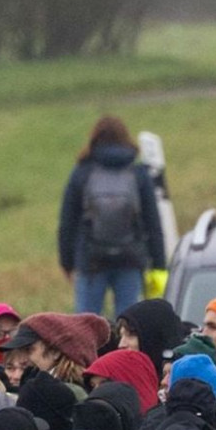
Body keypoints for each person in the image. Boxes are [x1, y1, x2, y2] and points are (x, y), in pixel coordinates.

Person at [57, 116, 166, 318]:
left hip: (90, 261)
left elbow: (67, 223)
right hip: (130, 259)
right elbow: (153, 223)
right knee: (129, 323)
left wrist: (67, 263)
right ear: (126, 138)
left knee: (85, 325)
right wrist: (159, 265)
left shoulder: (82, 172)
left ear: (94, 138)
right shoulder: (137, 172)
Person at [1, 313, 110, 396]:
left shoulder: (72, 392)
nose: (26, 359)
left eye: (29, 350)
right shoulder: (34, 377)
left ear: (55, 352)